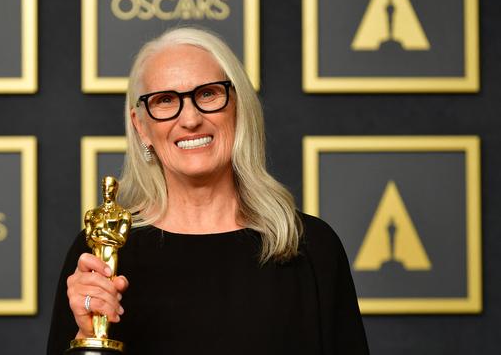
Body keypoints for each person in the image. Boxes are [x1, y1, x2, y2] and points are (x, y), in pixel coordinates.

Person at [47, 27, 369, 355]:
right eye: (165, 100)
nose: (190, 119)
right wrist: (86, 334)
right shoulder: (101, 258)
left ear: (238, 107)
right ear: (141, 127)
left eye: (207, 94)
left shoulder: (310, 247)